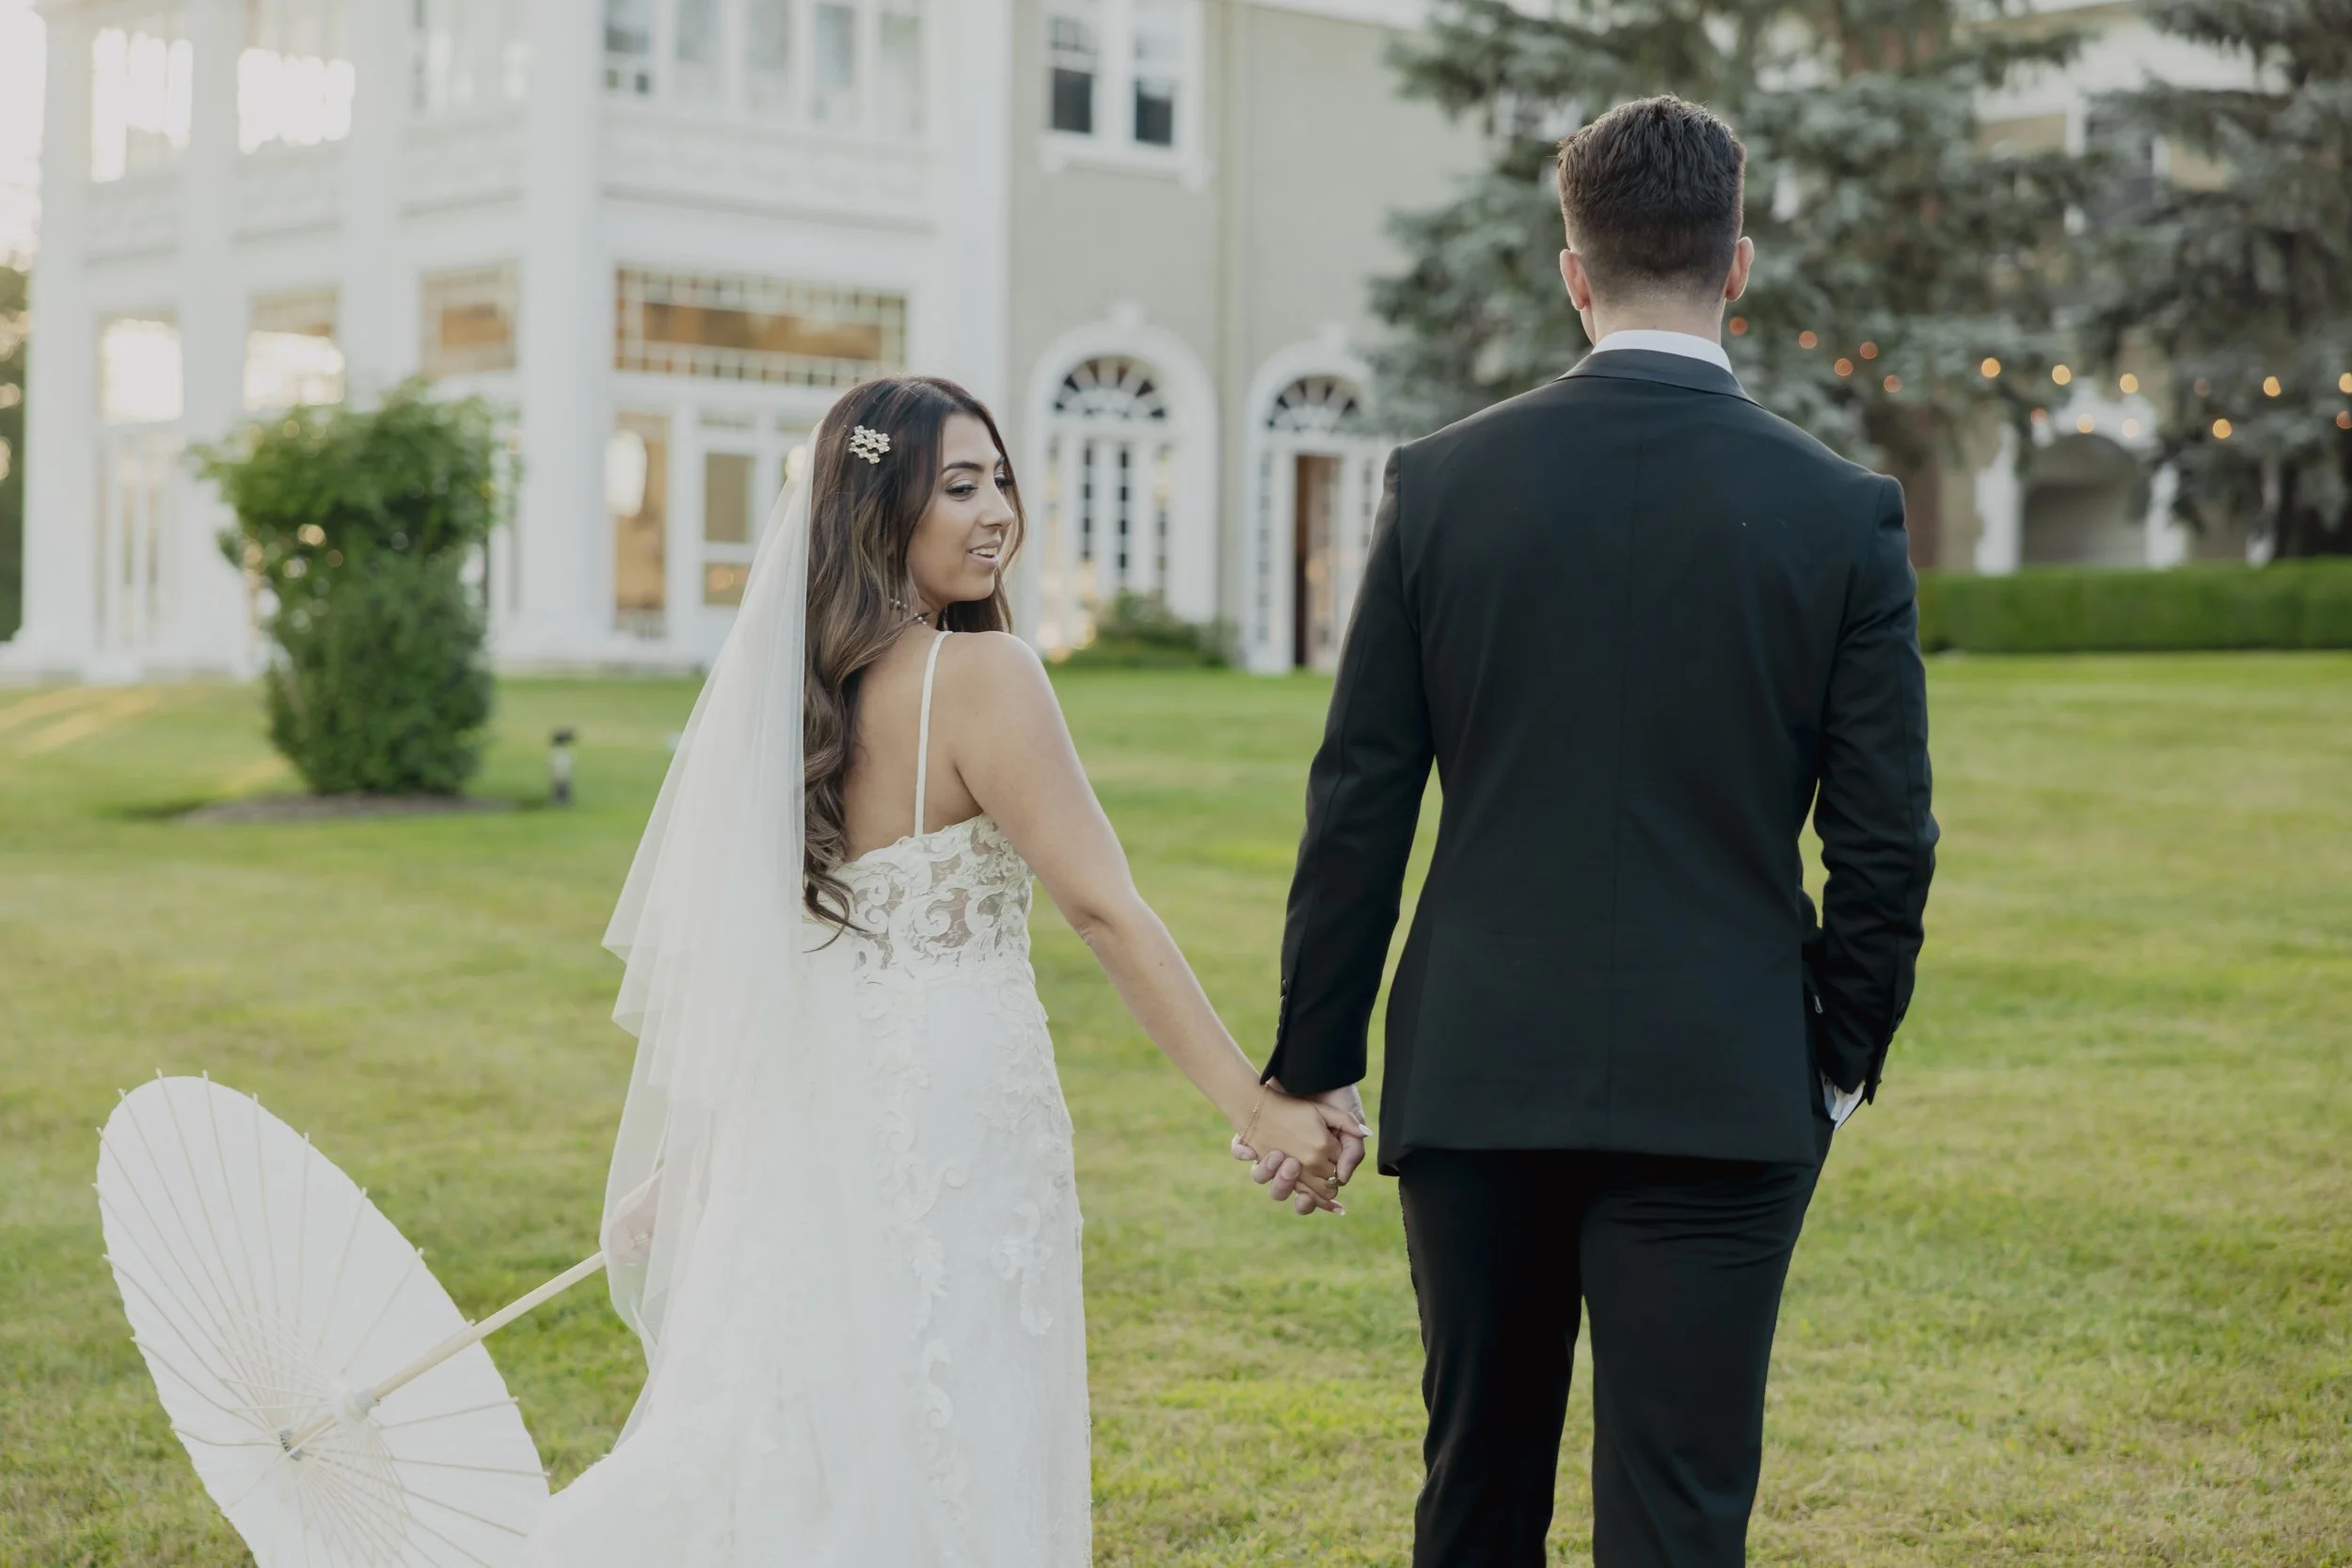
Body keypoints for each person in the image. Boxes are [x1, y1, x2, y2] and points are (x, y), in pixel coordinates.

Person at [1238, 96, 1938, 1566]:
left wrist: (1314, 1054)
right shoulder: (1842, 513)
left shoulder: (1440, 485)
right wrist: (1835, 1058)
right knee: (1681, 1519)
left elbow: (1360, 791)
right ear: (1737, 265)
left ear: (1575, 270)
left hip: (1482, 1069)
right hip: (1725, 1075)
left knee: (1476, 1494)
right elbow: (1887, 842)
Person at [525, 376, 1365, 1566]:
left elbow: (777, 966)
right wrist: (1256, 1103)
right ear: (880, 512)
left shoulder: (801, 697)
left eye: (1001, 480)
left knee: (812, 1409)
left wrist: (692, 1158)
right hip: (955, 1115)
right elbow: (1103, 908)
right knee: (951, 1403)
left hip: (817, 1110)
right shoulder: (987, 676)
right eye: (958, 487)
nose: (996, 513)